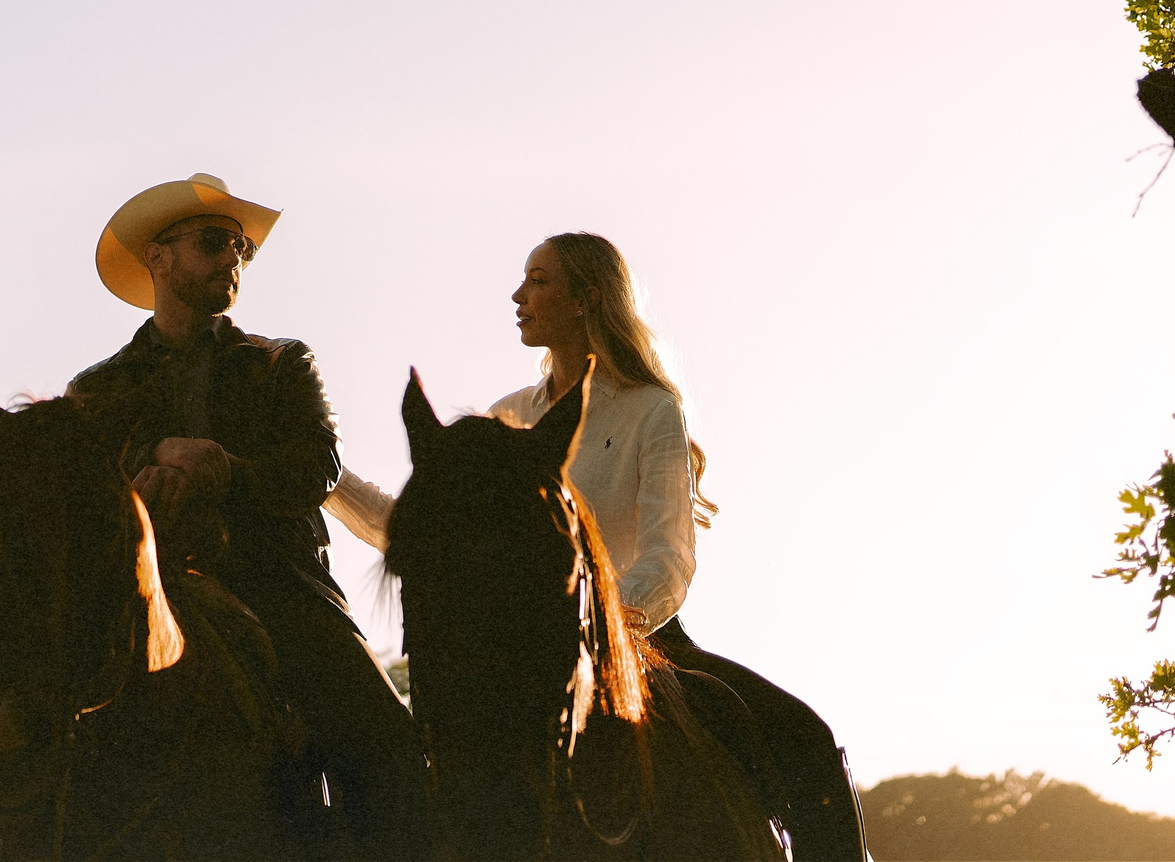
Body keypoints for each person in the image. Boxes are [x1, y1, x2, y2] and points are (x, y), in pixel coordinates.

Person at [326, 231, 867, 862]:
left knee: (807, 742)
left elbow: (669, 558)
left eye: (538, 280)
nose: (517, 295)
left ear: (586, 298)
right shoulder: (508, 417)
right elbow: (435, 536)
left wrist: (605, 619)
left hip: (646, 639)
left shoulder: (651, 409)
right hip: (517, 655)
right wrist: (322, 473)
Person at [67, 173, 432, 861]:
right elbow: (75, 495)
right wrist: (143, 469)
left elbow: (319, 462)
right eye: (214, 242)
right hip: (137, 584)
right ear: (159, 257)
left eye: (241, 248)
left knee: (387, 740)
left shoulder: (282, 361)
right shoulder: (96, 387)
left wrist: (224, 469)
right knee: (13, 709)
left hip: (278, 582)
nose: (233, 258)